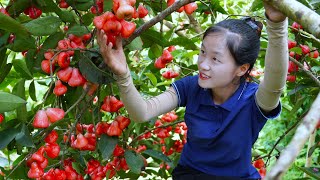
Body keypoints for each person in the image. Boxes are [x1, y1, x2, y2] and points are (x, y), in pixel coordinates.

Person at [97, 2, 288, 179]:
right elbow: (143, 112)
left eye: (215, 59)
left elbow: (275, 83)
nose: (203, 65)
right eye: (203, 52)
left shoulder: (253, 99)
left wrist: (277, 26)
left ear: (242, 69)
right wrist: (123, 74)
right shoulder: (191, 86)